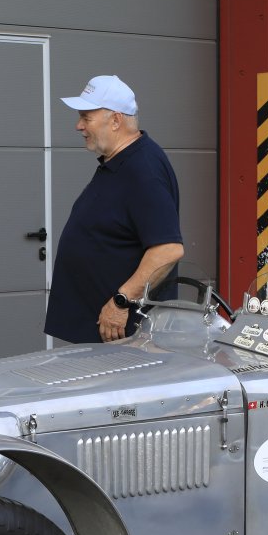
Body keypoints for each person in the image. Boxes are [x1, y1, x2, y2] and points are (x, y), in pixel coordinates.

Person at [45, 75, 184, 344]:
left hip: (123, 339)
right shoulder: (120, 163)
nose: (78, 126)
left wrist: (121, 301)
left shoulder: (143, 170)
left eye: (86, 118)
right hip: (100, 335)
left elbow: (168, 250)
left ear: (116, 120)